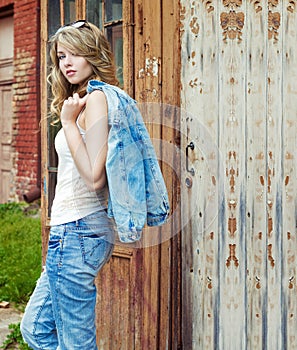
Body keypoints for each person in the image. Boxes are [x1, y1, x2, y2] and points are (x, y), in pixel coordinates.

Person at [20, 20, 118, 350]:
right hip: (70, 232)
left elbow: (94, 176)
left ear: (93, 54)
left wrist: (67, 122)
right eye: (62, 56)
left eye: (76, 53)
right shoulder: (83, 100)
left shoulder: (97, 99)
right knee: (34, 328)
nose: (67, 63)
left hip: (79, 230)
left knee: (76, 344)